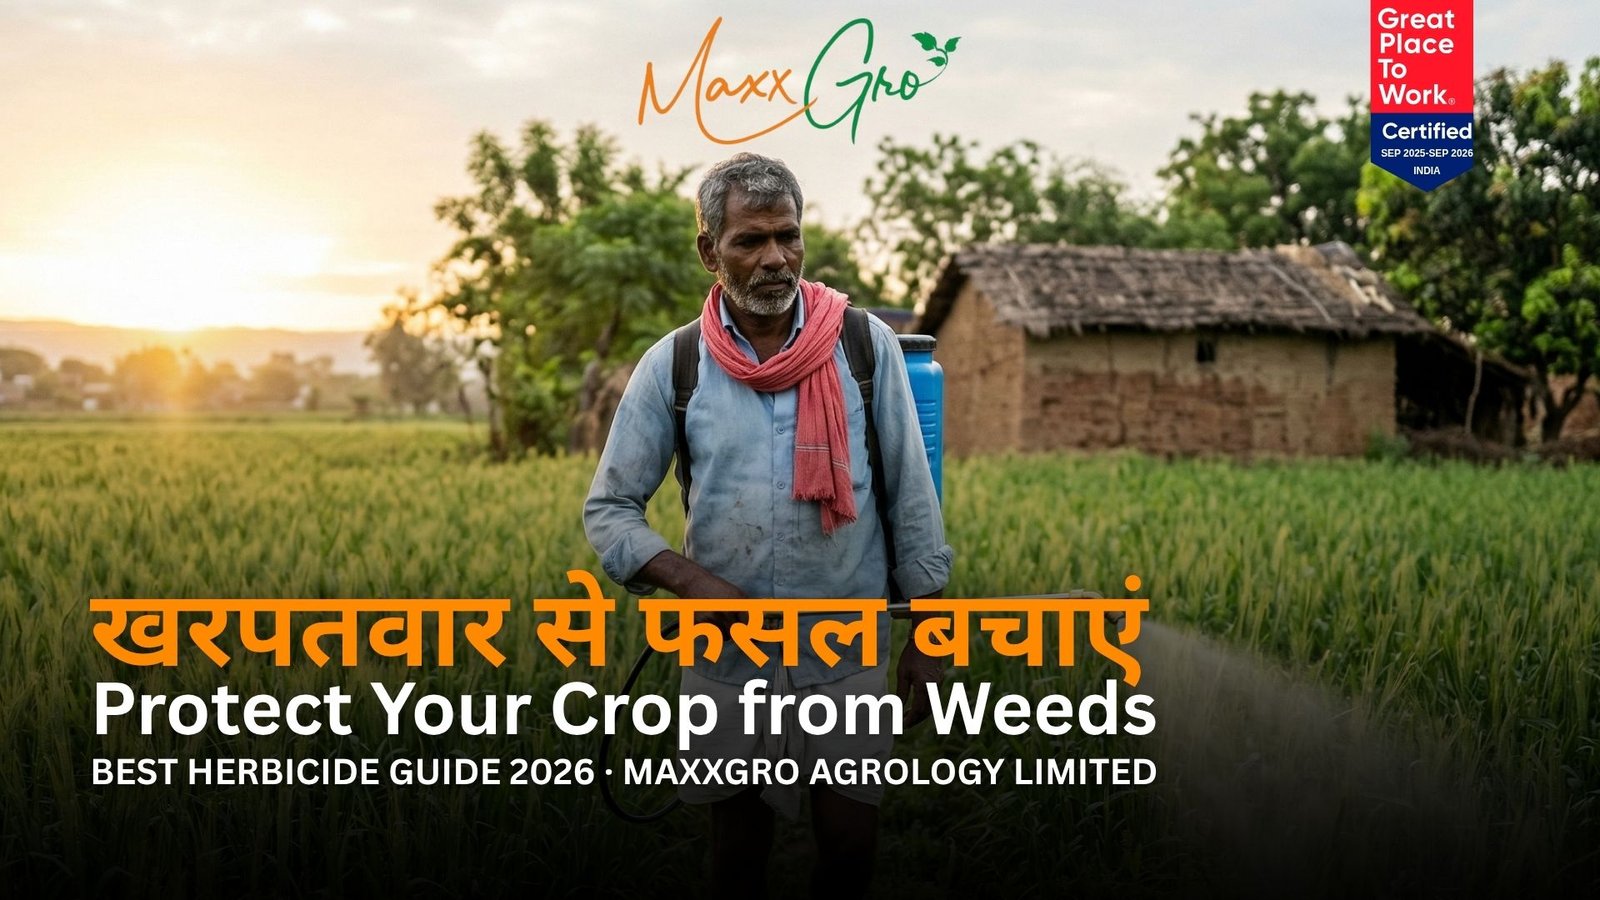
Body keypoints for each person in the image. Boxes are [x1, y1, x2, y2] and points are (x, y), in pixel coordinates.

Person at [583, 152, 953, 899]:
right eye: (749, 241)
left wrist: (931, 635)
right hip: (728, 654)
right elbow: (609, 510)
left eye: (787, 235)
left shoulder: (862, 347)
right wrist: (697, 585)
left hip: (845, 645)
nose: (774, 257)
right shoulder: (675, 365)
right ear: (709, 250)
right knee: (737, 853)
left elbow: (913, 496)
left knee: (850, 851)